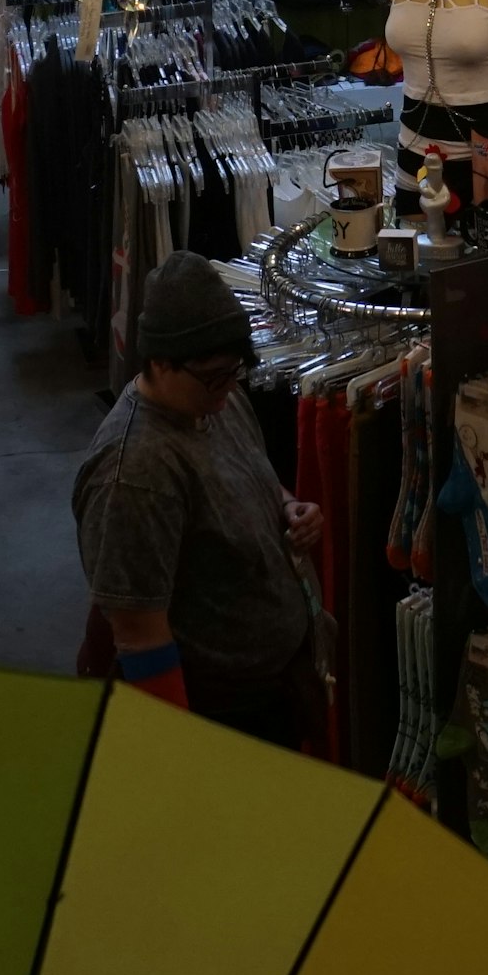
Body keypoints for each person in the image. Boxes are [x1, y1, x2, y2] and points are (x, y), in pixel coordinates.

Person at [71, 250, 325, 746]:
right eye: (214, 376)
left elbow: (250, 476)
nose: (228, 388)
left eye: (235, 372)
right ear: (161, 361)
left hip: (271, 697)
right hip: (220, 719)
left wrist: (287, 505)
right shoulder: (135, 476)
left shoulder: (216, 400)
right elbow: (141, 639)